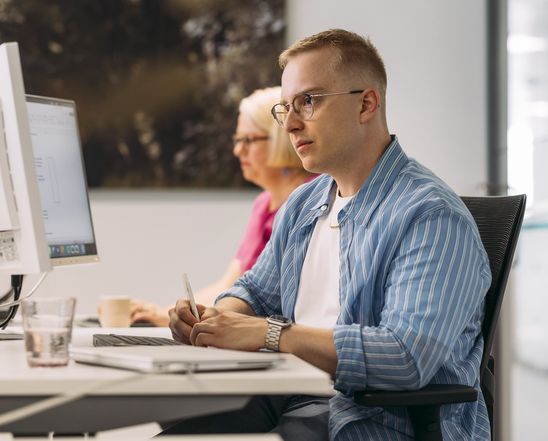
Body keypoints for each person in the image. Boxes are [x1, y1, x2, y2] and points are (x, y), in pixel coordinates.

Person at [164, 29, 491, 440]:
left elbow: (405, 357)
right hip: (286, 396)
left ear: (366, 104)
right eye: (286, 108)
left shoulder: (431, 216)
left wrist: (270, 334)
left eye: (309, 101)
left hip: (367, 420)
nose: (292, 124)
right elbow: (255, 292)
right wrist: (212, 318)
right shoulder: (304, 204)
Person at [124, 87, 313, 326]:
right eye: (237, 140)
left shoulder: (312, 200)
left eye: (248, 140)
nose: (237, 150)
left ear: (280, 138)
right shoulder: (263, 204)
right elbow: (228, 286)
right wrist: (165, 313)